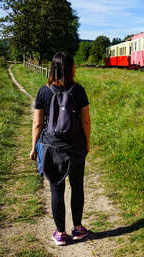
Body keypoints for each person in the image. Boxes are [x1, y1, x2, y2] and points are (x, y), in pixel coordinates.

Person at [30, 51, 91, 246]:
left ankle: (61, 233)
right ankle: (79, 229)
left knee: (56, 189)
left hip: (51, 148)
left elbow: (37, 125)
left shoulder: (43, 91)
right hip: (75, 148)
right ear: (71, 68)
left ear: (53, 68)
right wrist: (87, 144)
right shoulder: (79, 90)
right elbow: (86, 121)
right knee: (77, 187)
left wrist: (34, 148)